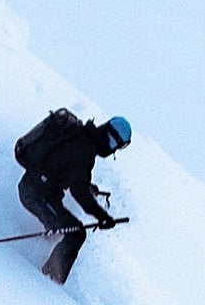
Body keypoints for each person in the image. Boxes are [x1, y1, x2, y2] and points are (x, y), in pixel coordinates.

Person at [13, 109, 130, 284]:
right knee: (76, 233)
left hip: (36, 190)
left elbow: (66, 168)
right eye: (116, 145)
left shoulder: (81, 136)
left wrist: (87, 187)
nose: (112, 149)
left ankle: (36, 259)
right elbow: (78, 190)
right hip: (36, 195)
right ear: (110, 138)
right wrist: (102, 217)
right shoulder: (85, 150)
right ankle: (46, 281)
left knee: (63, 229)